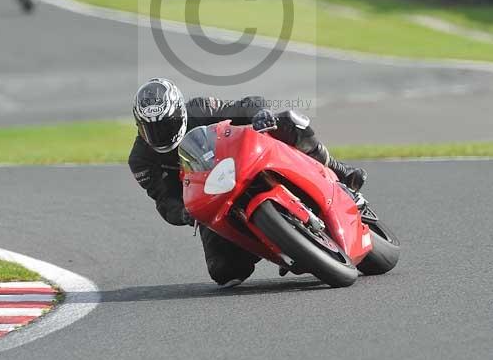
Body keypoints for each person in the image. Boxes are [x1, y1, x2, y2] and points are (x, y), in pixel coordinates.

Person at [129, 77, 367, 287]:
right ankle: (278, 242)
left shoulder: (199, 108)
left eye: (165, 124)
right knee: (224, 272)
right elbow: (164, 200)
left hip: (239, 163)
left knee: (285, 121)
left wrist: (259, 114)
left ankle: (339, 170)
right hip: (211, 198)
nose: (159, 133)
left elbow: (246, 104)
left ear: (179, 113)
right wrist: (182, 213)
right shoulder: (140, 160)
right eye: (151, 128)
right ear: (140, 126)